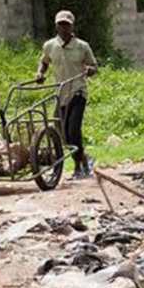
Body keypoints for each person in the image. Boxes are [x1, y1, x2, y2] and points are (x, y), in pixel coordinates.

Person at [36, 10, 98, 179]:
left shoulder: (82, 46)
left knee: (73, 129)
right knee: (61, 132)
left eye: (67, 25)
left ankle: (78, 166)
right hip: (60, 93)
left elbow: (94, 66)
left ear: (72, 27)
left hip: (78, 92)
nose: (64, 28)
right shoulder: (50, 46)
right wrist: (40, 73)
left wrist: (90, 70)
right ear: (56, 26)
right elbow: (44, 62)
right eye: (61, 25)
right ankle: (84, 158)